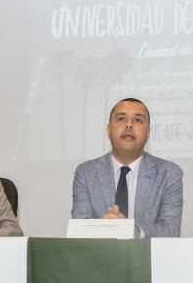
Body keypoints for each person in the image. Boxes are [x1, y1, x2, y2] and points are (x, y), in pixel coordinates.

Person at [71, 98, 183, 237]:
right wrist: (103, 227)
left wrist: (133, 230)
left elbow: (171, 231)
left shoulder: (169, 174)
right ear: (108, 130)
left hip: (146, 258)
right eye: (121, 118)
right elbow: (79, 229)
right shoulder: (86, 173)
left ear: (148, 133)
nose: (129, 125)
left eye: (138, 120)